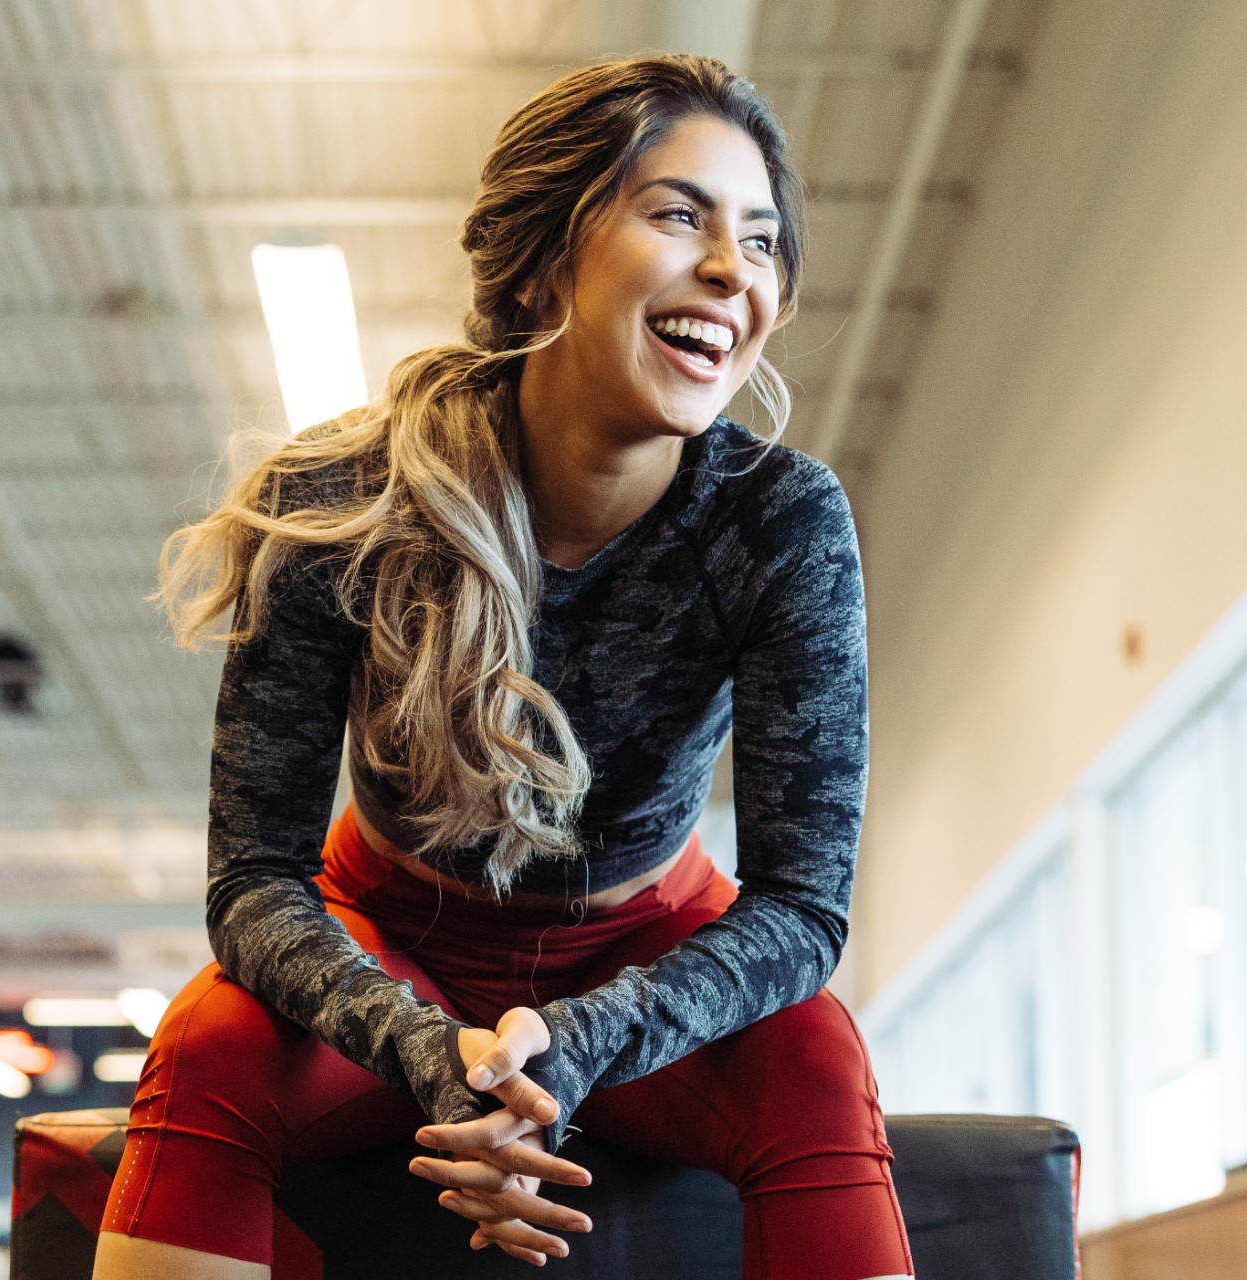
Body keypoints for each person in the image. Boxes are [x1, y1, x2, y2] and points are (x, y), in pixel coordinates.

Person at [92, 52, 914, 1280]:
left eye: (760, 238)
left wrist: (572, 1042)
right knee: (211, 1040)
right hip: (386, 931)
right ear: (545, 258)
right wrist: (437, 1053)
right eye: (677, 213)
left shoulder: (780, 520)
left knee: (814, 1053)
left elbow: (802, 906)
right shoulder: (339, 498)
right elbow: (255, 879)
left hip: (640, 942)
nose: (732, 268)